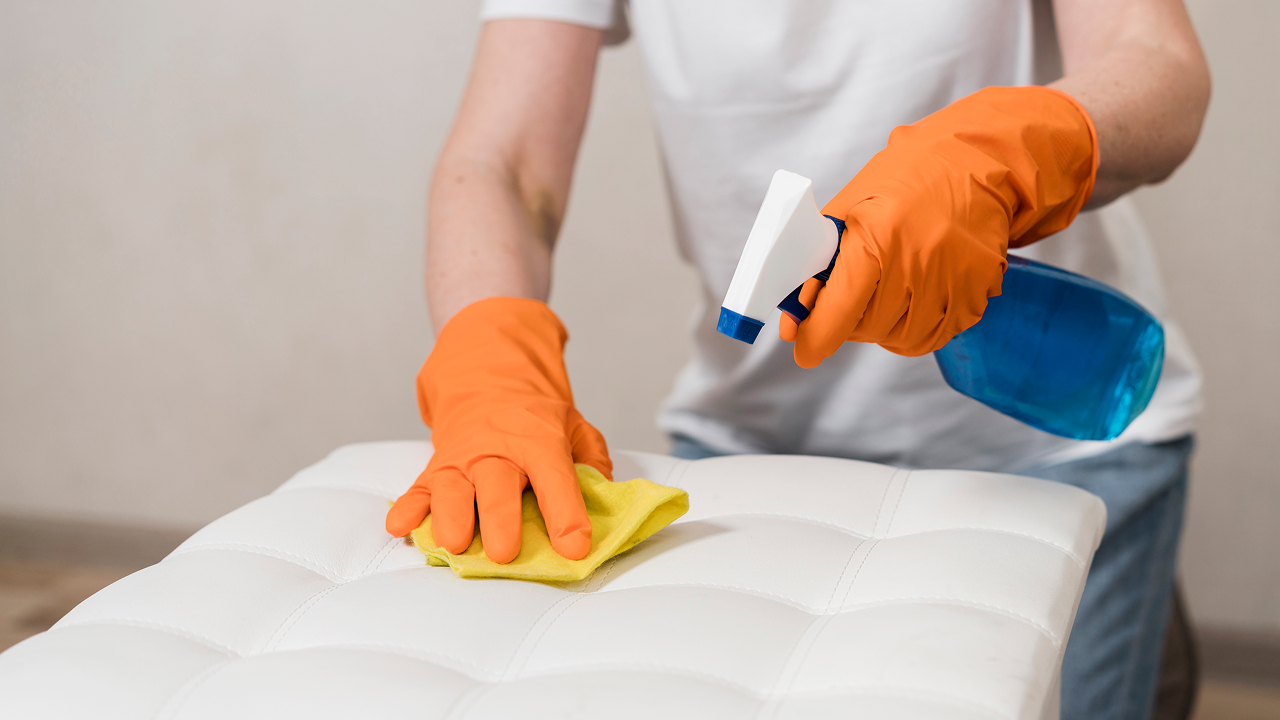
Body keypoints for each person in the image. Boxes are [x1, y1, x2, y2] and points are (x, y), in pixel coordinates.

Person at [385, 2, 1210, 719]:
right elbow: (503, 161)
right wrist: (490, 357)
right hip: (755, 448)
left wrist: (994, 159)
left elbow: (1160, 65)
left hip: (1060, 437)